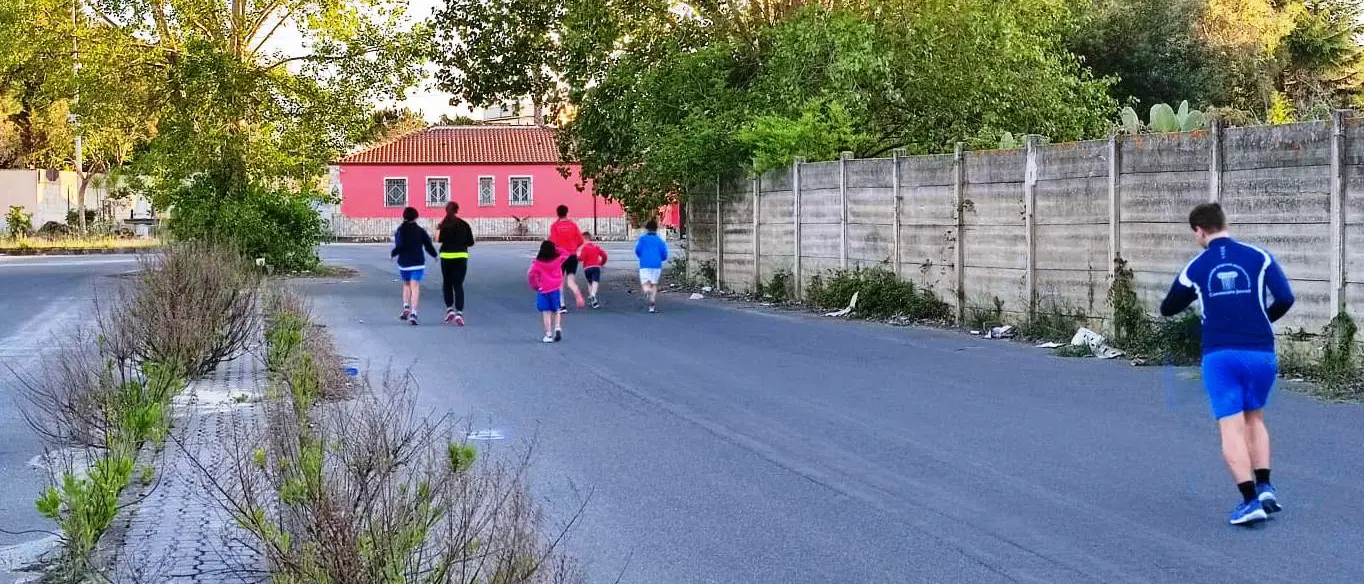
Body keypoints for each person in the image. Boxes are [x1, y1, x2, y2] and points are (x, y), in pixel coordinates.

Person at [1160, 202, 1295, 526]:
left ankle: (1250, 502)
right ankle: (1265, 487)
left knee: (1230, 427)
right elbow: (1286, 298)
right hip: (1261, 352)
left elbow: (1169, 307)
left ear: (1199, 231)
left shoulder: (1197, 266)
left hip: (1220, 355)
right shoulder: (1259, 256)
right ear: (1224, 223)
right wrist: (1261, 320)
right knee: (1255, 419)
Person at [391, 207, 438, 326]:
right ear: (416, 217)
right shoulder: (420, 231)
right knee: (415, 287)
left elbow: (399, 245)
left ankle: (405, 306)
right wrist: (434, 255)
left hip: (404, 263)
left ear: (404, 217)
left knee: (406, 284)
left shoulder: (400, 230)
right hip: (417, 262)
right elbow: (428, 245)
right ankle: (414, 314)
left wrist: (394, 254)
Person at [436, 201, 475, 326]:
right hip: (461, 256)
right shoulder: (464, 224)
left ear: (446, 211)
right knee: (458, 285)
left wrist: (438, 229)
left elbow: (438, 240)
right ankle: (459, 312)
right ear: (457, 210)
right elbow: (471, 242)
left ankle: (449, 309)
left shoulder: (444, 225)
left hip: (446, 257)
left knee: (447, 283)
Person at [548, 205, 586, 313]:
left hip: (560, 256)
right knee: (570, 281)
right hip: (572, 255)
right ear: (567, 212)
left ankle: (562, 305)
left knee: (559, 281)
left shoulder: (554, 226)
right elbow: (580, 240)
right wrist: (574, 247)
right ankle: (576, 291)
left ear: (557, 213)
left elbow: (553, 242)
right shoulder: (573, 225)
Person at [528, 240, 568, 343]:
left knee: (546, 312)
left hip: (543, 289)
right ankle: (558, 327)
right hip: (555, 287)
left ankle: (548, 334)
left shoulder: (537, 263)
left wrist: (535, 286)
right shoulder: (558, 259)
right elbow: (566, 253)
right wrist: (556, 248)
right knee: (556, 309)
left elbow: (531, 275)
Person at [634, 219, 669, 313]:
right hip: (657, 265)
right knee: (654, 284)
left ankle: (647, 290)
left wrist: (641, 256)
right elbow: (664, 254)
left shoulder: (642, 239)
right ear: (656, 229)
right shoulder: (660, 240)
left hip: (645, 264)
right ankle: (652, 304)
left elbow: (637, 251)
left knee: (645, 283)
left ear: (646, 229)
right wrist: (661, 258)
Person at [578, 231, 608, 309]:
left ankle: (593, 301)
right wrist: (601, 263)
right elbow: (604, 256)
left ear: (583, 239)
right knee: (596, 281)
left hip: (587, 268)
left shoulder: (584, 248)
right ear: (590, 238)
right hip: (596, 266)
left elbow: (581, 258)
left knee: (590, 282)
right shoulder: (596, 247)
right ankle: (593, 295)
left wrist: (576, 257)